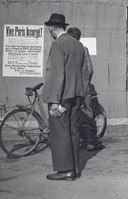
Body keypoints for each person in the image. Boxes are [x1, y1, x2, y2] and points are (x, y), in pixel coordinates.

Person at [41, 13, 85, 181]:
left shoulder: (58, 44)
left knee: (60, 134)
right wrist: (79, 96)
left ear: (52, 28)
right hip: (75, 96)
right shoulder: (77, 45)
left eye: (49, 29)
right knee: (73, 132)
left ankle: (65, 170)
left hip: (61, 98)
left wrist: (54, 101)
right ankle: (74, 168)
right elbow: (81, 73)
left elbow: (57, 74)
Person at [66, 27, 103, 151]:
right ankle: (91, 142)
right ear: (79, 37)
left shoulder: (64, 49)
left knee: (69, 115)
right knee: (87, 114)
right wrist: (85, 84)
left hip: (68, 89)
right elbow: (89, 69)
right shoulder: (83, 49)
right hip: (83, 88)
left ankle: (73, 142)